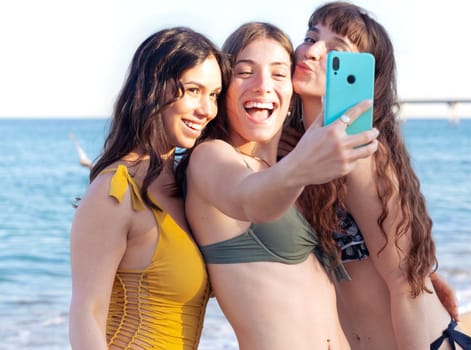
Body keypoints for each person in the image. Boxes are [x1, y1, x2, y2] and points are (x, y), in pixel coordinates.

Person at [282, 2, 471, 349]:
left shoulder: (360, 152)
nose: (312, 51)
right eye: (310, 37)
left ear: (363, 76)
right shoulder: (294, 154)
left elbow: (406, 287)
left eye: (336, 51)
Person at [175, 22, 379, 349]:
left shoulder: (288, 170)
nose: (262, 86)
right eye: (245, 72)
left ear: (291, 91)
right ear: (224, 87)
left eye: (279, 74)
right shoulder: (212, 158)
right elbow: (250, 200)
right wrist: (304, 161)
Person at [68, 27, 228, 349]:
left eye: (214, 95)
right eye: (194, 89)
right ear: (154, 87)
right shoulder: (115, 192)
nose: (207, 109)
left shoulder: (187, 190)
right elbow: (87, 314)